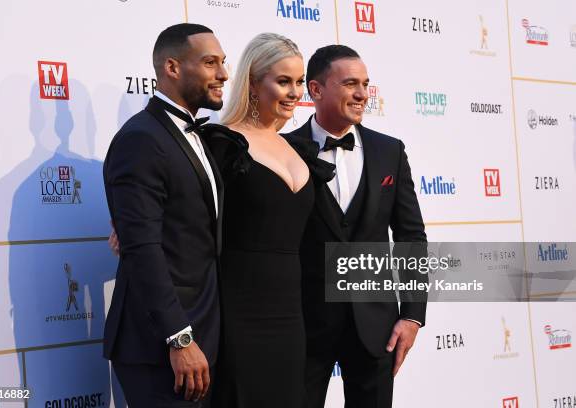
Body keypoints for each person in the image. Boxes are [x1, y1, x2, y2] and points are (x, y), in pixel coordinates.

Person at [284, 45, 428, 408]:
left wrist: (412, 314)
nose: (363, 93)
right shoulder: (284, 150)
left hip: (376, 326)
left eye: (365, 83)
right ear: (315, 90)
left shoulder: (389, 151)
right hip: (304, 325)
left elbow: (411, 236)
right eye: (350, 83)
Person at [200, 33, 334, 408]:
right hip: (238, 309)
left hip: (292, 313)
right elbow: (186, 213)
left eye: (298, 81)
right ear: (254, 83)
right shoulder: (220, 143)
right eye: (282, 81)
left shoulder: (298, 147)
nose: (294, 92)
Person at [102, 23, 228, 407]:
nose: (223, 74)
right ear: (172, 68)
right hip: (161, 346)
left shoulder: (197, 136)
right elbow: (142, 249)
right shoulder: (142, 139)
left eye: (223, 62)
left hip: (200, 335)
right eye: (210, 63)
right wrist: (180, 338)